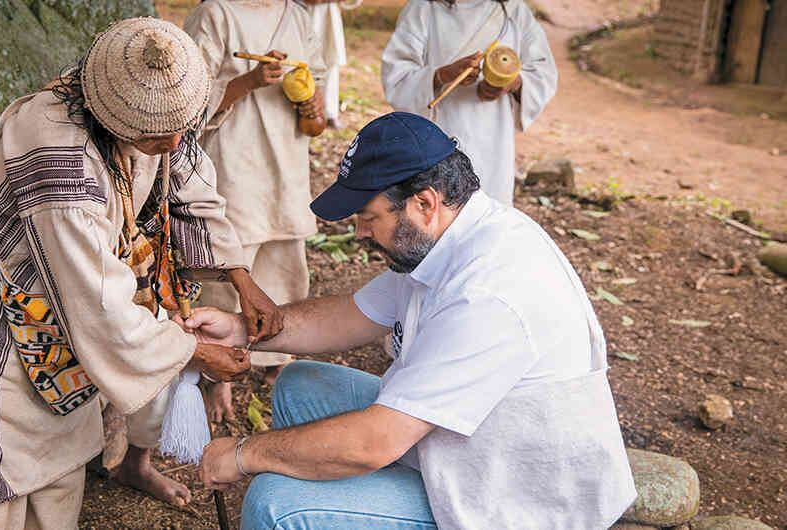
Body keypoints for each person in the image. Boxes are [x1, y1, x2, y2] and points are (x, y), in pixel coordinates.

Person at [185, 112, 637, 529]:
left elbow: (374, 442)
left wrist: (245, 455)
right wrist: (243, 330)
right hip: (469, 444)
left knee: (275, 504)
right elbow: (351, 315)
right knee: (300, 385)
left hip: (514, 497)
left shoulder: (488, 294)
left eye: (368, 217)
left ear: (424, 202)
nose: (360, 232)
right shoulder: (450, 238)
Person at [0, 18, 273, 528]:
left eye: (182, 127)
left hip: (68, 340)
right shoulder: (57, 154)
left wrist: (240, 275)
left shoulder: (149, 98)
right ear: (117, 123)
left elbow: (188, 176)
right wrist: (193, 352)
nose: (175, 144)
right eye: (158, 137)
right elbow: (98, 299)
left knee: (58, 480)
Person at [183, 0, 326, 418]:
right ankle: (214, 372)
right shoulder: (216, 14)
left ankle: (276, 356)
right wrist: (246, 82)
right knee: (227, 267)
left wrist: (311, 104)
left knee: (284, 265)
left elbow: (314, 113)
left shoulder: (297, 17)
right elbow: (186, 99)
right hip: (234, 160)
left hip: (285, 161)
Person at [382, 0, 557, 205]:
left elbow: (543, 71)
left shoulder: (513, 11)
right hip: (437, 136)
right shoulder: (423, 9)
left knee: (488, 213)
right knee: (437, 210)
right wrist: (441, 75)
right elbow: (396, 74)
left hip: (493, 140)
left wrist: (512, 83)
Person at [304, 0, 348, 128]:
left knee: (331, 61)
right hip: (305, 13)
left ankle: (330, 112)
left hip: (330, 15)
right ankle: (308, 111)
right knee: (305, 62)